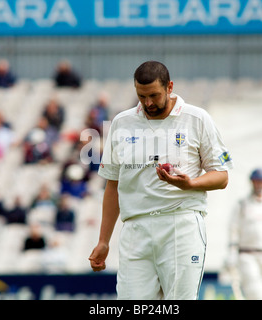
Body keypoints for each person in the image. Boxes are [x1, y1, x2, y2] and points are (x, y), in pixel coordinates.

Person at [89, 61, 233, 300]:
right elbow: (113, 184)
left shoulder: (197, 119)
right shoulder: (121, 123)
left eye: (154, 95)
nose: (148, 103)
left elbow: (222, 176)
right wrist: (104, 241)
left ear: (170, 87)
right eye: (141, 96)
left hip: (181, 225)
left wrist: (190, 184)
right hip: (135, 230)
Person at [224, 168, 262, 300]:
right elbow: (233, 229)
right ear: (251, 182)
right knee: (255, 291)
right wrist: (231, 252)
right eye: (256, 181)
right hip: (247, 255)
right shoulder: (242, 204)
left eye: (261, 181)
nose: (258, 184)